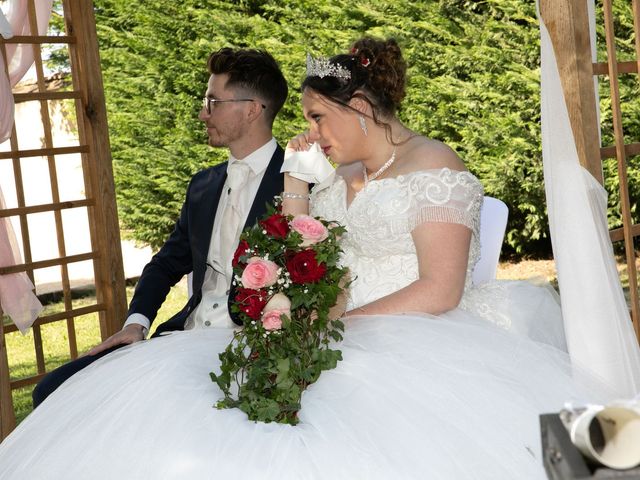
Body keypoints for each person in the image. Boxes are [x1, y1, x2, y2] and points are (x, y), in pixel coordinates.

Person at [0, 38, 613, 479]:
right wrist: (297, 179)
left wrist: (327, 325)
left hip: (421, 331)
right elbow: (297, 257)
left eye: (319, 117)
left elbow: (440, 290)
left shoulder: (435, 167)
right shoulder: (339, 174)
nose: (313, 131)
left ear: (361, 109)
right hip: (330, 328)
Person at [30, 47, 289, 407]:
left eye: (213, 101)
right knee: (52, 390)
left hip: (249, 349)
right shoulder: (203, 185)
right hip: (184, 338)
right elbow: (166, 263)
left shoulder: (299, 185)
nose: (202, 113)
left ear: (251, 109)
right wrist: (136, 322)